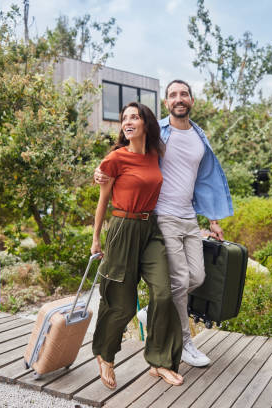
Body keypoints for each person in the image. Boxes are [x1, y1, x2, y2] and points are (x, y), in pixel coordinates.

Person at [95, 80, 233, 367]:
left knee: (197, 278)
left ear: (192, 101)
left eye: (184, 94)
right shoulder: (157, 132)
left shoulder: (199, 135)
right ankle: (185, 344)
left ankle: (152, 310)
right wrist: (101, 171)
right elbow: (128, 151)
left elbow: (204, 180)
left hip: (189, 217)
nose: (179, 99)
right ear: (166, 103)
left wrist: (214, 219)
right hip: (163, 217)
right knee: (179, 281)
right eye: (173, 95)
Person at [91, 102, 184, 390]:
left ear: (145, 123)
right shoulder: (115, 159)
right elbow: (103, 200)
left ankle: (160, 361)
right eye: (124, 118)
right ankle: (105, 356)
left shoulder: (157, 153)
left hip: (150, 229)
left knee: (164, 293)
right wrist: (95, 238)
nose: (128, 121)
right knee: (121, 302)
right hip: (122, 228)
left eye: (134, 117)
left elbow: (179, 129)